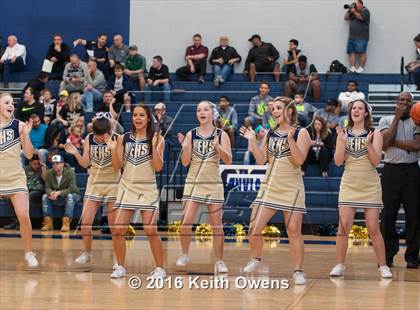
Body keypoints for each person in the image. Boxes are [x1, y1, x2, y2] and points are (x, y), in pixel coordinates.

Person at [239, 96, 311, 285]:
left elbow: (299, 161)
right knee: (254, 228)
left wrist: (290, 141)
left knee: (293, 232)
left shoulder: (301, 133)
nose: (274, 111)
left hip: (291, 188)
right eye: (273, 108)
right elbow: (261, 159)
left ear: (289, 111)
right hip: (269, 186)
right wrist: (252, 140)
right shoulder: (271, 132)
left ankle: (298, 271)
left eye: (278, 108)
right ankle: (256, 259)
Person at [329, 99, 392, 278]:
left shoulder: (375, 133)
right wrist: (341, 142)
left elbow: (376, 161)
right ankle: (339, 264)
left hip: (370, 184)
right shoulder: (344, 132)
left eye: (360, 108)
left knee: (373, 228)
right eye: (353, 108)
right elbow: (338, 161)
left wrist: (368, 144)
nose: (356, 111)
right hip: (349, 183)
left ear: (366, 113)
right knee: (344, 227)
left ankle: (383, 266)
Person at [108, 104, 166, 279]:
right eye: (135, 115)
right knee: (118, 231)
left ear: (148, 118)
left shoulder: (157, 138)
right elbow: (117, 166)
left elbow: (158, 167)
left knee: (150, 230)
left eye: (142, 115)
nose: (138, 118)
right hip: (127, 187)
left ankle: (160, 268)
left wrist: (154, 147)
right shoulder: (123, 139)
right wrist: (112, 151)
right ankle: (120, 266)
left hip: (147, 187)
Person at [176, 100, 232, 273]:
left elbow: (228, 160)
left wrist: (218, 147)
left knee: (216, 225)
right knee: (186, 222)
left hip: (213, 183)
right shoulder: (190, 135)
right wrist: (185, 148)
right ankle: (184, 254)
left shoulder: (221, 134)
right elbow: (185, 163)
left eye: (206, 109)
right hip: (193, 183)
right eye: (199, 109)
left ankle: (220, 260)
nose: (202, 112)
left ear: (211, 113)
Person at [64, 116, 120, 265]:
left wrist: (113, 150)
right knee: (86, 223)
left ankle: (117, 258)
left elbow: (117, 166)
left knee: (114, 227)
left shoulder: (117, 139)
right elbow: (86, 163)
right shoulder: (89, 138)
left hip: (113, 183)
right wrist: (76, 153)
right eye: (97, 137)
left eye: (102, 138)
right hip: (94, 182)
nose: (99, 140)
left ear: (109, 132)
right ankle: (87, 252)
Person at [379, 92, 420, 268]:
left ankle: (412, 256)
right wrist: (396, 118)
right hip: (390, 171)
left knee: (414, 215)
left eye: (408, 101)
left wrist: (391, 142)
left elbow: (417, 146)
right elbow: (383, 143)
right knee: (388, 215)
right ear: (396, 103)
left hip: (412, 171)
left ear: (412, 104)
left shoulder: (417, 120)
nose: (404, 103)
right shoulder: (385, 120)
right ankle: (388, 255)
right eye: (401, 100)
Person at [0, 93, 39, 267]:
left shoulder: (20, 126)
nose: (10, 105)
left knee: (23, 215)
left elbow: (30, 155)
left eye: (12, 103)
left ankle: (29, 252)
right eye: (6, 102)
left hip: (15, 177)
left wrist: (27, 135)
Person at [41, 154, 80, 232]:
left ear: (62, 164)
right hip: (56, 196)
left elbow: (72, 188)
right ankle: (48, 222)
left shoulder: (70, 172)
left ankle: (66, 222)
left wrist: (59, 193)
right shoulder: (49, 173)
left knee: (69, 196)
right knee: (45, 196)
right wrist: (51, 193)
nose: (55, 165)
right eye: (53, 163)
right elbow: (47, 187)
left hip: (72, 194)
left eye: (57, 163)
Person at [345, 0, 370, 73]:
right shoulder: (353, 11)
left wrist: (354, 12)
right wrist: (349, 11)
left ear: (360, 4)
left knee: (362, 52)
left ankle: (361, 68)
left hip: (362, 37)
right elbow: (346, 18)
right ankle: (352, 67)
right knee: (351, 52)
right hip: (352, 36)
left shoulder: (365, 11)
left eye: (355, 4)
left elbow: (361, 18)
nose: (354, 5)